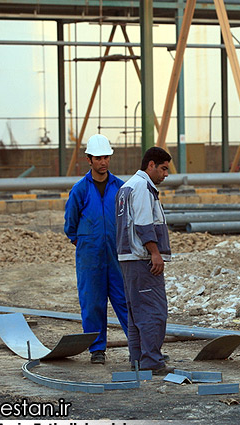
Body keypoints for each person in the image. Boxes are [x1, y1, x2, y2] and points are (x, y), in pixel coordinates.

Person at [64, 133, 129, 365]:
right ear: (89, 160)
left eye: (106, 157)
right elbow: (70, 223)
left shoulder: (120, 187)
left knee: (124, 300)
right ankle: (97, 349)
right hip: (89, 255)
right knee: (92, 302)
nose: (103, 162)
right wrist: (82, 242)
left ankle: (138, 346)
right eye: (98, 158)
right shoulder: (80, 190)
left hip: (116, 253)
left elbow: (128, 218)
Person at [115, 147, 174, 375]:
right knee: (154, 311)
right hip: (142, 259)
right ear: (150, 165)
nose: (165, 174)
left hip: (129, 258)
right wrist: (155, 253)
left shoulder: (126, 186)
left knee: (137, 312)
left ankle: (139, 359)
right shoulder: (141, 187)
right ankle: (151, 361)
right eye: (163, 169)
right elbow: (142, 224)